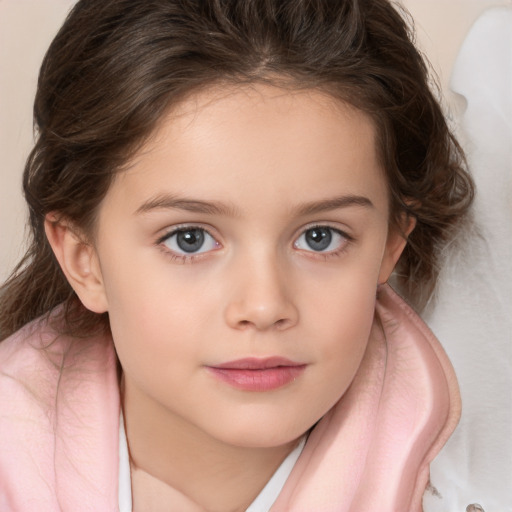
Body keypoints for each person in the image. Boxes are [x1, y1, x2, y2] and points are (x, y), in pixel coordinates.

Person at [0, 0, 474, 510]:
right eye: (189, 239)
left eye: (320, 237)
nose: (264, 305)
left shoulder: (463, 482)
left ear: (389, 245)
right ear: (83, 258)